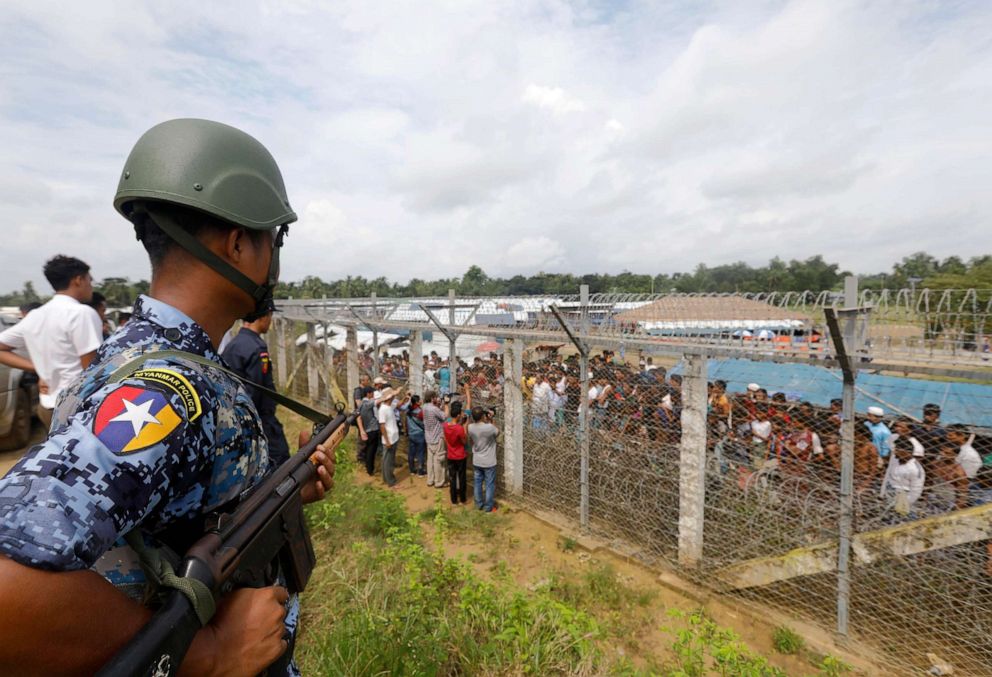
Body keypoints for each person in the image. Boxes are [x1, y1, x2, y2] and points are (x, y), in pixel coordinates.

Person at [0, 118, 336, 676]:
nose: (275, 259)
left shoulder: (131, 354)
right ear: (238, 244)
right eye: (273, 239)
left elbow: (156, 519)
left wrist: (279, 497)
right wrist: (208, 655)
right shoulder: (171, 391)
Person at [0, 255, 103, 430]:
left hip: (48, 406)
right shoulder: (81, 313)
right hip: (79, 407)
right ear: (78, 280)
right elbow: (92, 370)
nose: (91, 287)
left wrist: (38, 368)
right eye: (89, 281)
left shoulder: (35, 316)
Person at [221, 301, 290, 468]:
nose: (270, 321)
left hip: (233, 415)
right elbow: (256, 389)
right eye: (270, 316)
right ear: (264, 317)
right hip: (260, 420)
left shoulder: (233, 344)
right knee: (280, 461)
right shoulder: (257, 348)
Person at [468, 406, 499, 512]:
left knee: (477, 482)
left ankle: (478, 504)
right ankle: (488, 506)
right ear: (482, 416)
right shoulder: (489, 427)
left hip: (477, 460)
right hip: (489, 461)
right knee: (489, 484)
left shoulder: (470, 427)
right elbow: (497, 432)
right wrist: (491, 419)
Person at [443, 400, 468, 505]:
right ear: (458, 415)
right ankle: (462, 499)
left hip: (450, 455)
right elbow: (464, 441)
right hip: (460, 455)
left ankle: (453, 500)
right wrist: (464, 427)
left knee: (452, 478)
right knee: (462, 477)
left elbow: (445, 438)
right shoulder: (459, 428)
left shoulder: (445, 425)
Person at [423, 390, 448, 488]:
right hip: (437, 437)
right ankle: (439, 482)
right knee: (438, 461)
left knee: (430, 460)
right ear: (432, 398)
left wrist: (438, 405)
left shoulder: (424, 407)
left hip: (428, 437)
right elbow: (444, 416)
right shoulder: (434, 409)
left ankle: (430, 480)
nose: (437, 398)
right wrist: (446, 404)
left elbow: (436, 414)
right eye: (435, 397)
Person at [377, 387, 401, 488]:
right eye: (393, 395)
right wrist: (387, 441)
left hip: (393, 437)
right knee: (388, 461)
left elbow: (398, 405)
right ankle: (391, 481)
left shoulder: (389, 406)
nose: (395, 396)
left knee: (387, 460)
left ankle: (386, 478)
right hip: (390, 439)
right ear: (390, 397)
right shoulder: (383, 409)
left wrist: (404, 399)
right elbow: (382, 426)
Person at [356, 385, 380, 476]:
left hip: (367, 430)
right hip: (373, 430)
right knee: (371, 451)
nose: (373, 394)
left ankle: (368, 467)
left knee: (368, 449)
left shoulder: (361, 404)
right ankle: (370, 469)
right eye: (372, 393)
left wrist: (362, 430)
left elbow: (358, 417)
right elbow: (379, 401)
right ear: (368, 394)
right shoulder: (368, 403)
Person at [402, 394, 427, 476]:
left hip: (411, 434)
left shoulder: (408, 410)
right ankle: (420, 471)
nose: (421, 401)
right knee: (420, 453)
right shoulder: (419, 411)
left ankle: (412, 470)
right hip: (419, 434)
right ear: (417, 402)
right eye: (419, 400)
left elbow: (404, 407)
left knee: (411, 452)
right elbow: (423, 424)